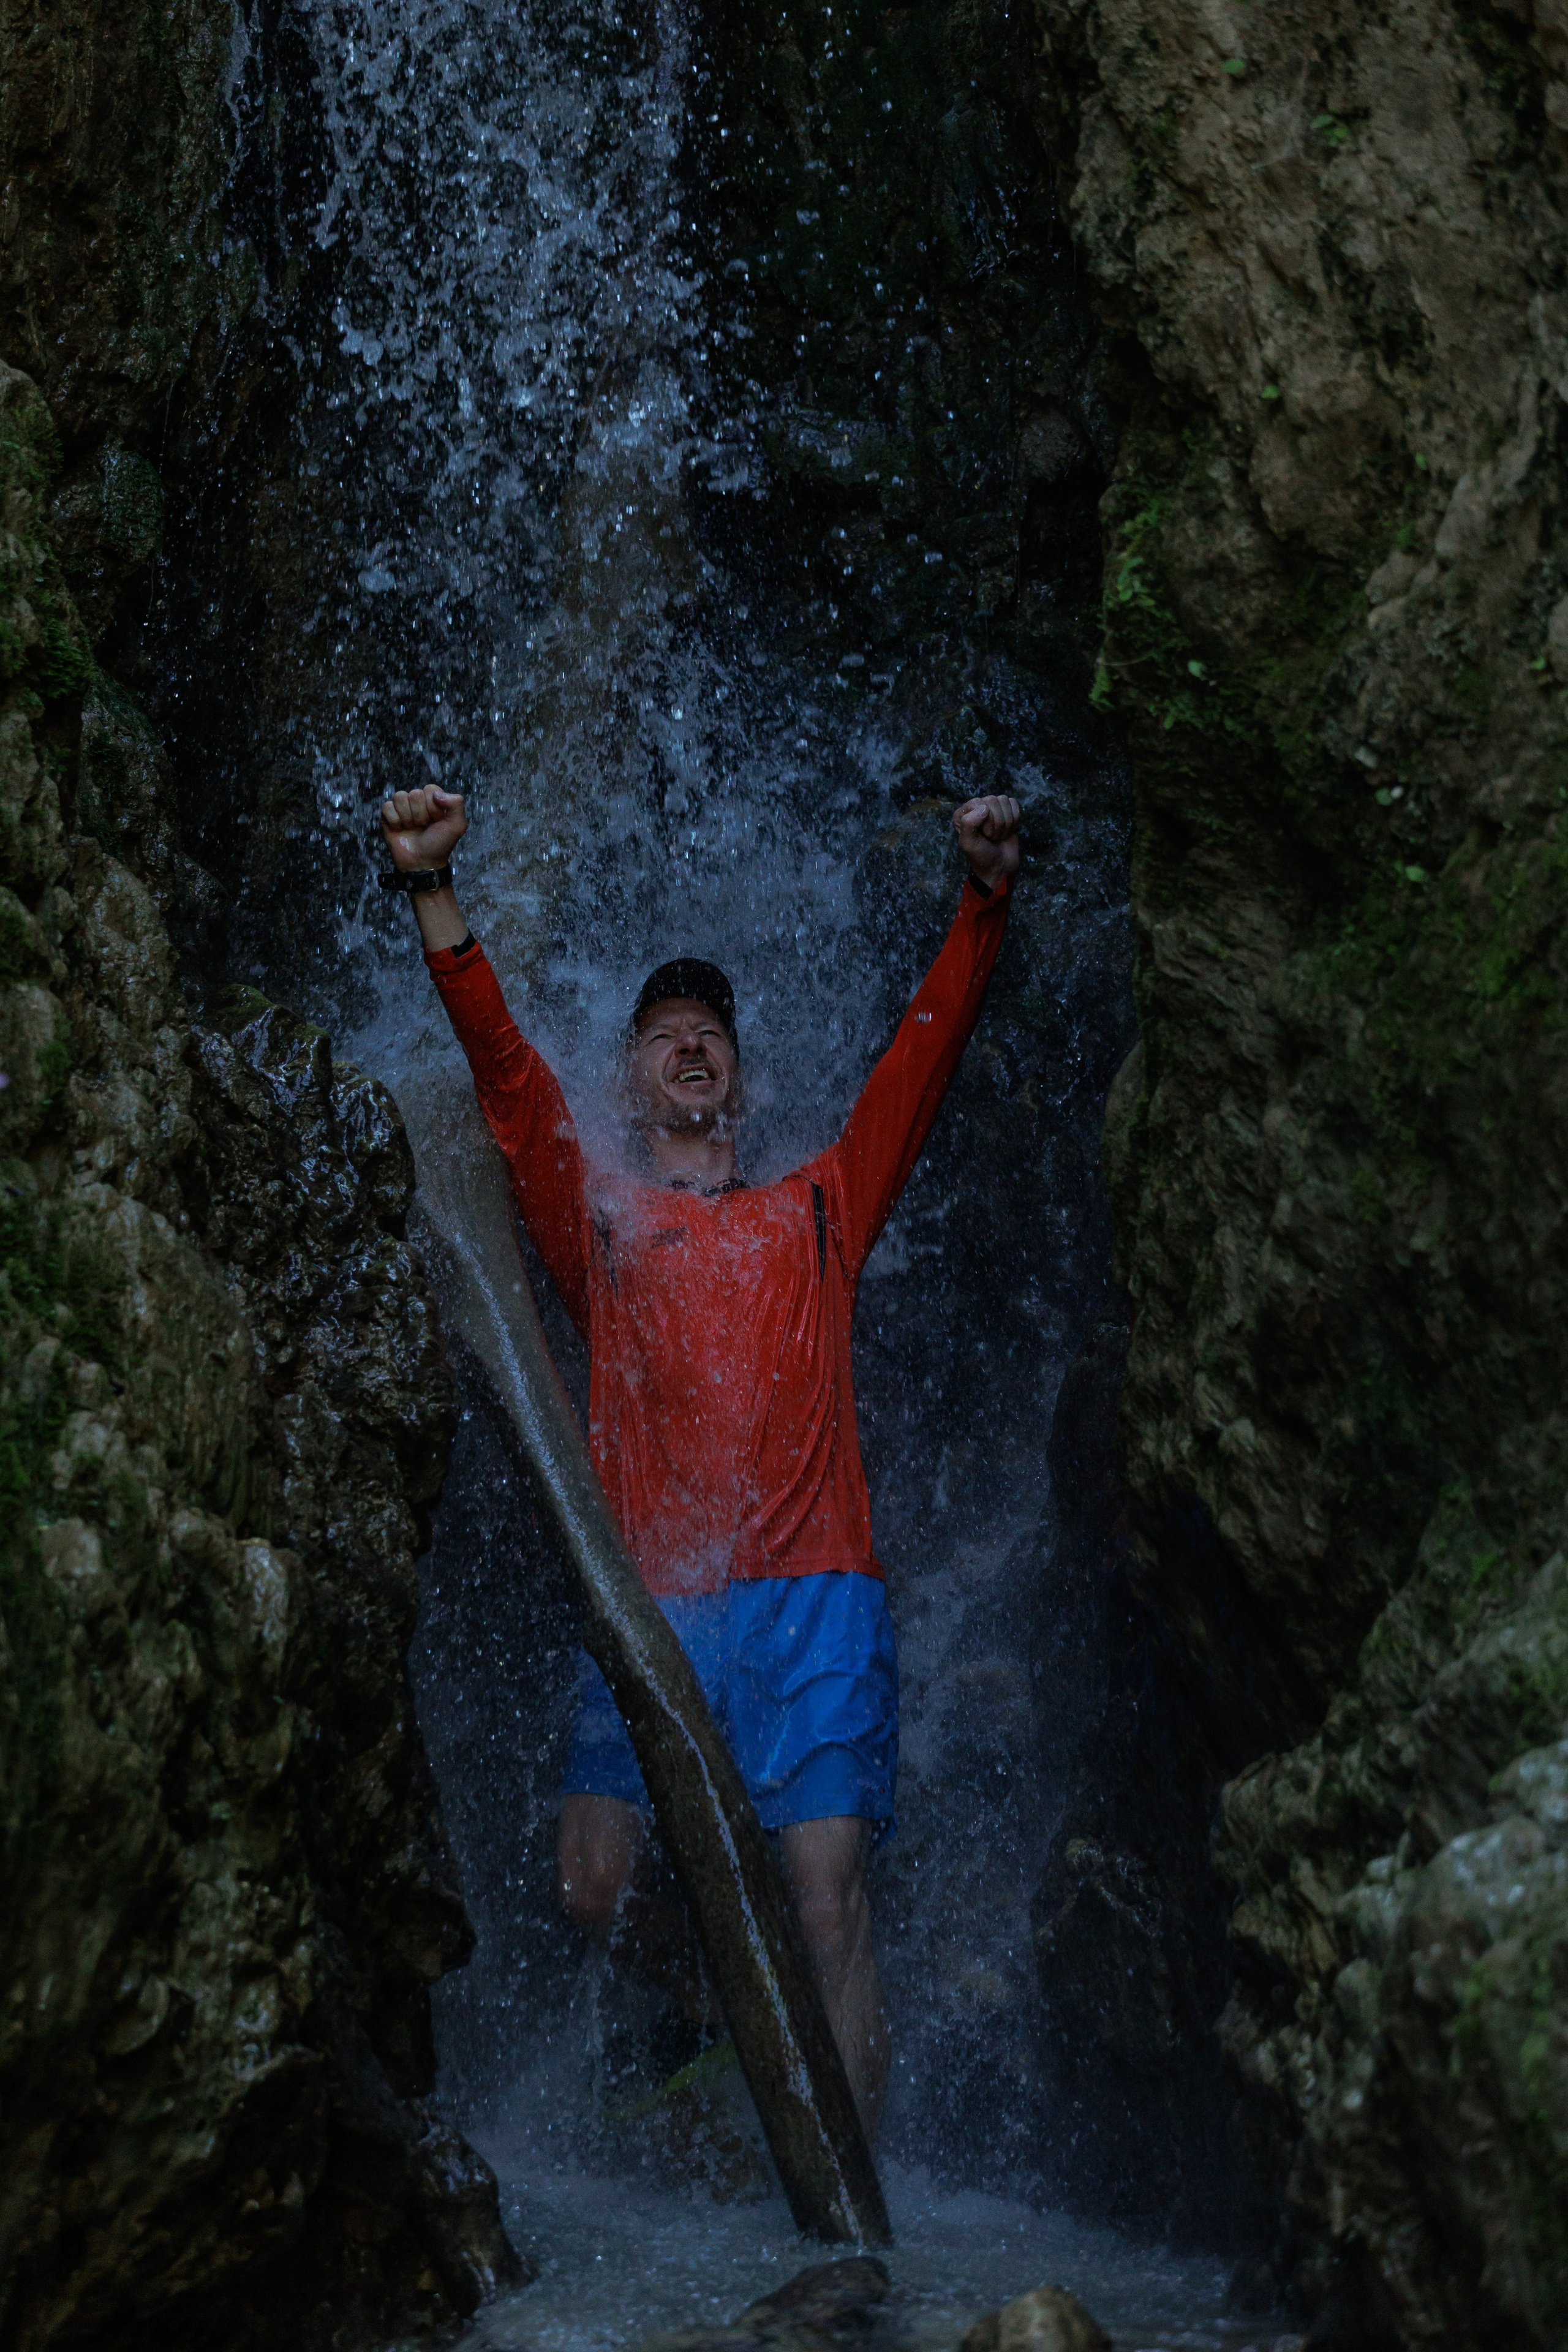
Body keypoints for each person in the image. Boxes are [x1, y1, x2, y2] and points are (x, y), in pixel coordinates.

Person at [380, 782, 1022, 2139]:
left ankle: (851, 2240)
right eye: (663, 1035)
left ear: (735, 1077)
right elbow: (505, 1084)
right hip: (653, 1610)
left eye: (708, 1036)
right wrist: (437, 894)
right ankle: (743, 2019)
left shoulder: (819, 1208)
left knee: (828, 1897)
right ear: (629, 1083)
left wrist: (983, 901)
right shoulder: (597, 1227)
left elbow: (921, 1061)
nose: (688, 1045)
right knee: (590, 1883)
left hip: (816, 1599)